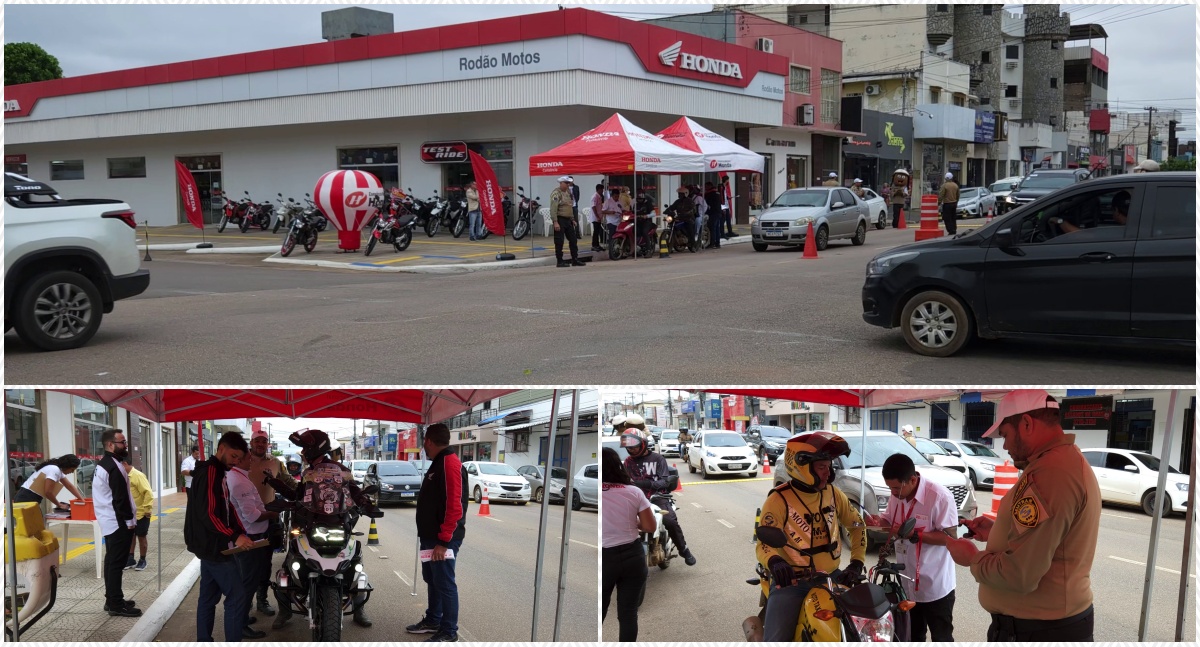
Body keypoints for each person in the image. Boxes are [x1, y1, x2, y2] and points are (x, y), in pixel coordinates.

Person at [944, 390, 1101, 642]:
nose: (1004, 445)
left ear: (1026, 423)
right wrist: (999, 531)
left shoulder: (1051, 473)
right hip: (1040, 627)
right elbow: (1049, 539)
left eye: (1005, 434)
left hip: (1041, 630)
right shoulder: (1058, 463)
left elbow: (1021, 575)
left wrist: (973, 558)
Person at [756, 432, 867, 642]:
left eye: (829, 466)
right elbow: (764, 544)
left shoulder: (833, 493)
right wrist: (775, 561)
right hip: (791, 582)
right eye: (822, 467)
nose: (828, 473)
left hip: (832, 577)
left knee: (857, 630)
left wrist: (857, 562)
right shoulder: (779, 499)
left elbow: (857, 525)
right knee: (776, 639)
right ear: (801, 466)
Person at [270, 429, 377, 629]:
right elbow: (297, 495)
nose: (302, 453)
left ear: (313, 448)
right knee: (287, 566)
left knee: (356, 563)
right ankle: (284, 611)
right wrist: (278, 489)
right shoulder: (307, 473)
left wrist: (366, 502)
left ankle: (359, 608)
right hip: (311, 525)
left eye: (304, 449)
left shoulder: (342, 470)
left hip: (339, 524)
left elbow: (354, 490)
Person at [865, 453, 958, 642]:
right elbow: (889, 521)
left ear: (913, 480)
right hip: (907, 584)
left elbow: (950, 538)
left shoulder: (939, 497)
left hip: (935, 585)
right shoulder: (898, 494)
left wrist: (913, 534)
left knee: (942, 637)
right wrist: (878, 521)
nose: (893, 493)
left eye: (897, 488)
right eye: (890, 487)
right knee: (913, 635)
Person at [184, 431, 255, 642]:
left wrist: (240, 530)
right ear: (221, 449)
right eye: (233, 456)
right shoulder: (210, 473)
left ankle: (203, 641)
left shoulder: (217, 472)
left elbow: (226, 506)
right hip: (213, 547)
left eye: (239, 459)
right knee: (237, 596)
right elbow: (209, 514)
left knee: (208, 598)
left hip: (210, 546)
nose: (235, 462)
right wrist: (234, 534)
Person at [407, 423, 467, 643]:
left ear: (429, 441)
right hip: (432, 537)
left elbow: (455, 506)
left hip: (443, 538)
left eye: (424, 443)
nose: (424, 447)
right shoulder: (438, 462)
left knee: (444, 583)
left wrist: (443, 541)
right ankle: (433, 619)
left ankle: (449, 631)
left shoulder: (449, 463)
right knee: (432, 579)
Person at [620, 417, 696, 566]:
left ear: (642, 444)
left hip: (657, 497)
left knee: (670, 521)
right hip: (635, 499)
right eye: (629, 448)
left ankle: (684, 549)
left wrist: (644, 483)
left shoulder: (657, 458)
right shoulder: (628, 462)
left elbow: (664, 481)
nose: (632, 450)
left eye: (634, 446)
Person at [601, 447, 655, 642]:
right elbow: (649, 526)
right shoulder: (634, 492)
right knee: (628, 614)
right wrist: (634, 523)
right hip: (633, 555)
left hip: (604, 558)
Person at [227, 447, 276, 639]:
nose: (252, 462)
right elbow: (252, 515)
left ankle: (242, 618)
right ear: (238, 459)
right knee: (247, 583)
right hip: (251, 537)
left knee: (247, 580)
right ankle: (240, 624)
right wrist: (273, 513)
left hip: (249, 535)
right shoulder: (239, 482)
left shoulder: (238, 477)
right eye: (248, 459)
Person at [92, 430, 142, 617]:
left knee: (112, 561)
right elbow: (120, 499)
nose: (126, 445)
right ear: (110, 444)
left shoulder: (105, 464)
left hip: (110, 521)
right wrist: (129, 521)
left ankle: (112, 599)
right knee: (116, 564)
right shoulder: (113, 466)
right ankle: (115, 604)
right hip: (118, 522)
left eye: (125, 441)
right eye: (122, 442)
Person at [243, 427, 291, 618]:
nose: (260, 444)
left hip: (268, 518)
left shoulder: (276, 462)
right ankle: (244, 603)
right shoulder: (242, 461)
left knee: (265, 561)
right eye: (257, 440)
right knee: (246, 563)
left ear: (267, 444)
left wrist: (308, 487)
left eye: (264, 441)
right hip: (244, 520)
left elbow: (288, 482)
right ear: (251, 443)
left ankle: (262, 599)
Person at [15, 454, 85, 510]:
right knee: (34, 525)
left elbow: (69, 486)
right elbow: (48, 492)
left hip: (29, 496)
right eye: (72, 469)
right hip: (26, 497)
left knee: (35, 525)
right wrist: (59, 504)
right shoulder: (54, 470)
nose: (72, 472)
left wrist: (81, 499)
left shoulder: (57, 470)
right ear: (67, 466)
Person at [121, 455, 153, 572]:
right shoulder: (123, 476)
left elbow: (148, 493)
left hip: (141, 512)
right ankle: (130, 558)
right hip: (129, 513)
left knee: (141, 536)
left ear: (124, 464)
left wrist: (147, 509)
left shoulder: (138, 475)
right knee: (130, 536)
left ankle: (142, 559)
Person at [1057, 190, 1130, 234]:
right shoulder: (1132, 228)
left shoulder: (1118, 232)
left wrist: (1060, 221)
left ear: (1116, 210)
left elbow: (1080, 236)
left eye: (1111, 209)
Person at [550, 176, 584, 268]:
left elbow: (570, 206)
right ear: (561, 183)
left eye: (568, 183)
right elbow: (553, 209)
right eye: (566, 183)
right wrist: (555, 222)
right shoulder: (556, 193)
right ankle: (560, 261)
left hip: (568, 219)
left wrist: (572, 219)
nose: (568, 185)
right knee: (559, 241)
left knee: (573, 240)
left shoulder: (568, 192)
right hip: (560, 219)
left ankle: (575, 259)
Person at [704, 182, 724, 249]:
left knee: (712, 228)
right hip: (718, 212)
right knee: (717, 228)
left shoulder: (710, 194)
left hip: (713, 213)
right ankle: (717, 243)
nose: (705, 188)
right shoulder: (717, 193)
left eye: (706, 186)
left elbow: (708, 203)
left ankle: (712, 243)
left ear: (710, 186)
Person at [590, 183, 606, 252]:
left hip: (599, 217)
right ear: (599, 189)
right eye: (602, 189)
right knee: (596, 232)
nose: (602, 191)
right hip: (595, 217)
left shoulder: (599, 196)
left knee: (598, 231)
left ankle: (597, 244)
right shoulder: (595, 196)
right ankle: (594, 245)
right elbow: (593, 207)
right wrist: (597, 216)